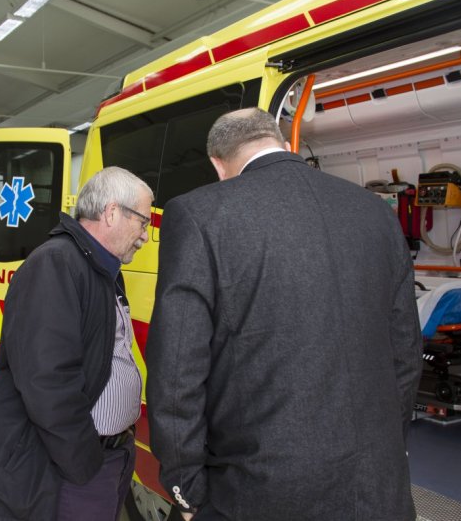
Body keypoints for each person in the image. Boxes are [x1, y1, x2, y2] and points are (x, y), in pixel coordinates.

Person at [146, 108, 423, 521]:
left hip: (261, 491)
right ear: (281, 142)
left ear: (218, 164)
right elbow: (404, 350)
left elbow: (177, 370)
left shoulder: (199, 214)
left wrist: (185, 486)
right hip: (378, 486)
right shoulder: (373, 211)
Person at [0, 167, 154, 521]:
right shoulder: (56, 264)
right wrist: (83, 461)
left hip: (106, 456)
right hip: (75, 466)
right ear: (112, 212)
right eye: (143, 221)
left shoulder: (100, 268)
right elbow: (46, 380)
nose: (145, 235)